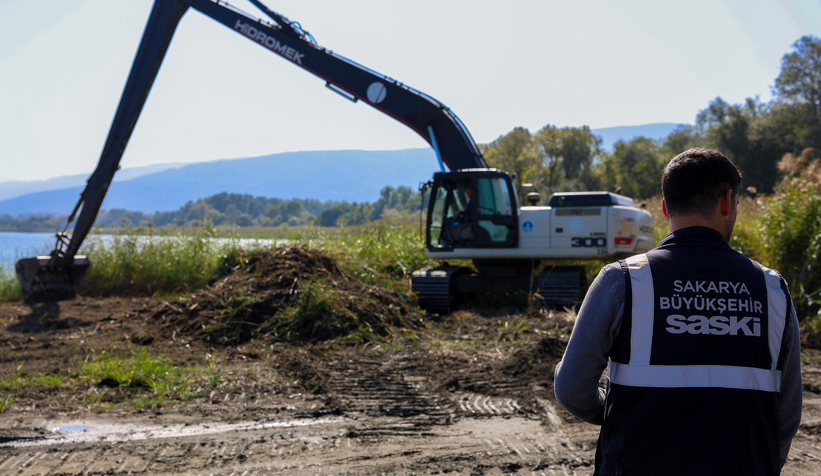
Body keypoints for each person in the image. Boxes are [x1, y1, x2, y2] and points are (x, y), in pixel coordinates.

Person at [554, 148, 802, 476]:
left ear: (665, 206)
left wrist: (614, 411)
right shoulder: (772, 289)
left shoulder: (622, 280)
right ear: (728, 201)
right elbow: (786, 412)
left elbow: (572, 386)